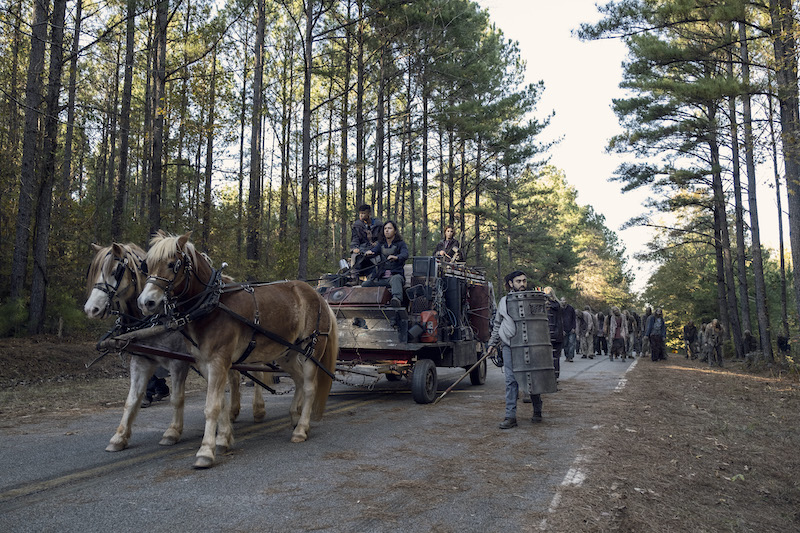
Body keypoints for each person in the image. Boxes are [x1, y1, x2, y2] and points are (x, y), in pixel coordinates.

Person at [487, 270, 543, 429]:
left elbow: (540, 322)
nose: (522, 284)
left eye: (524, 281)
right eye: (518, 281)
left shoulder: (533, 299)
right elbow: (498, 324)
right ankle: (510, 416)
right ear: (511, 283)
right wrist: (492, 343)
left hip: (530, 345)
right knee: (511, 380)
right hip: (509, 346)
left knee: (532, 378)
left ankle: (537, 410)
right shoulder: (504, 302)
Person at [362, 221, 409, 307]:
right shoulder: (381, 244)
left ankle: (396, 300)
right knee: (365, 284)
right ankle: (368, 304)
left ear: (395, 231)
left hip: (395, 277)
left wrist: (396, 257)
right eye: (385, 228)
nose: (387, 230)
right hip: (381, 278)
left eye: (390, 228)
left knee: (396, 279)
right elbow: (374, 251)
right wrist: (370, 252)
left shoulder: (401, 244)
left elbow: (405, 254)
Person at [349, 204, 382, 273]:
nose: (361, 215)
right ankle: (355, 277)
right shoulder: (357, 226)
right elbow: (355, 239)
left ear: (369, 214)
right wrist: (355, 248)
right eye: (360, 213)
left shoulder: (379, 225)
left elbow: (382, 239)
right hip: (362, 249)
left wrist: (377, 244)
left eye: (363, 213)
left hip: (376, 248)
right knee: (355, 257)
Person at [544, 287, 564, 379]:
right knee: (556, 356)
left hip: (550, 333)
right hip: (558, 333)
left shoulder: (548, 306)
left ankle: (551, 376)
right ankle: (555, 375)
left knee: (548, 356)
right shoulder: (559, 305)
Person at [560, 297, 577, 362]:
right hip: (564, 329)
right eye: (561, 300)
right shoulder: (560, 309)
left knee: (571, 343)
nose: (562, 302)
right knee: (565, 344)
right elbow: (559, 320)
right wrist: (562, 330)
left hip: (571, 328)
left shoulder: (571, 308)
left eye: (564, 300)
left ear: (566, 301)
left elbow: (574, 318)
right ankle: (567, 356)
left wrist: (574, 327)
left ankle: (571, 357)